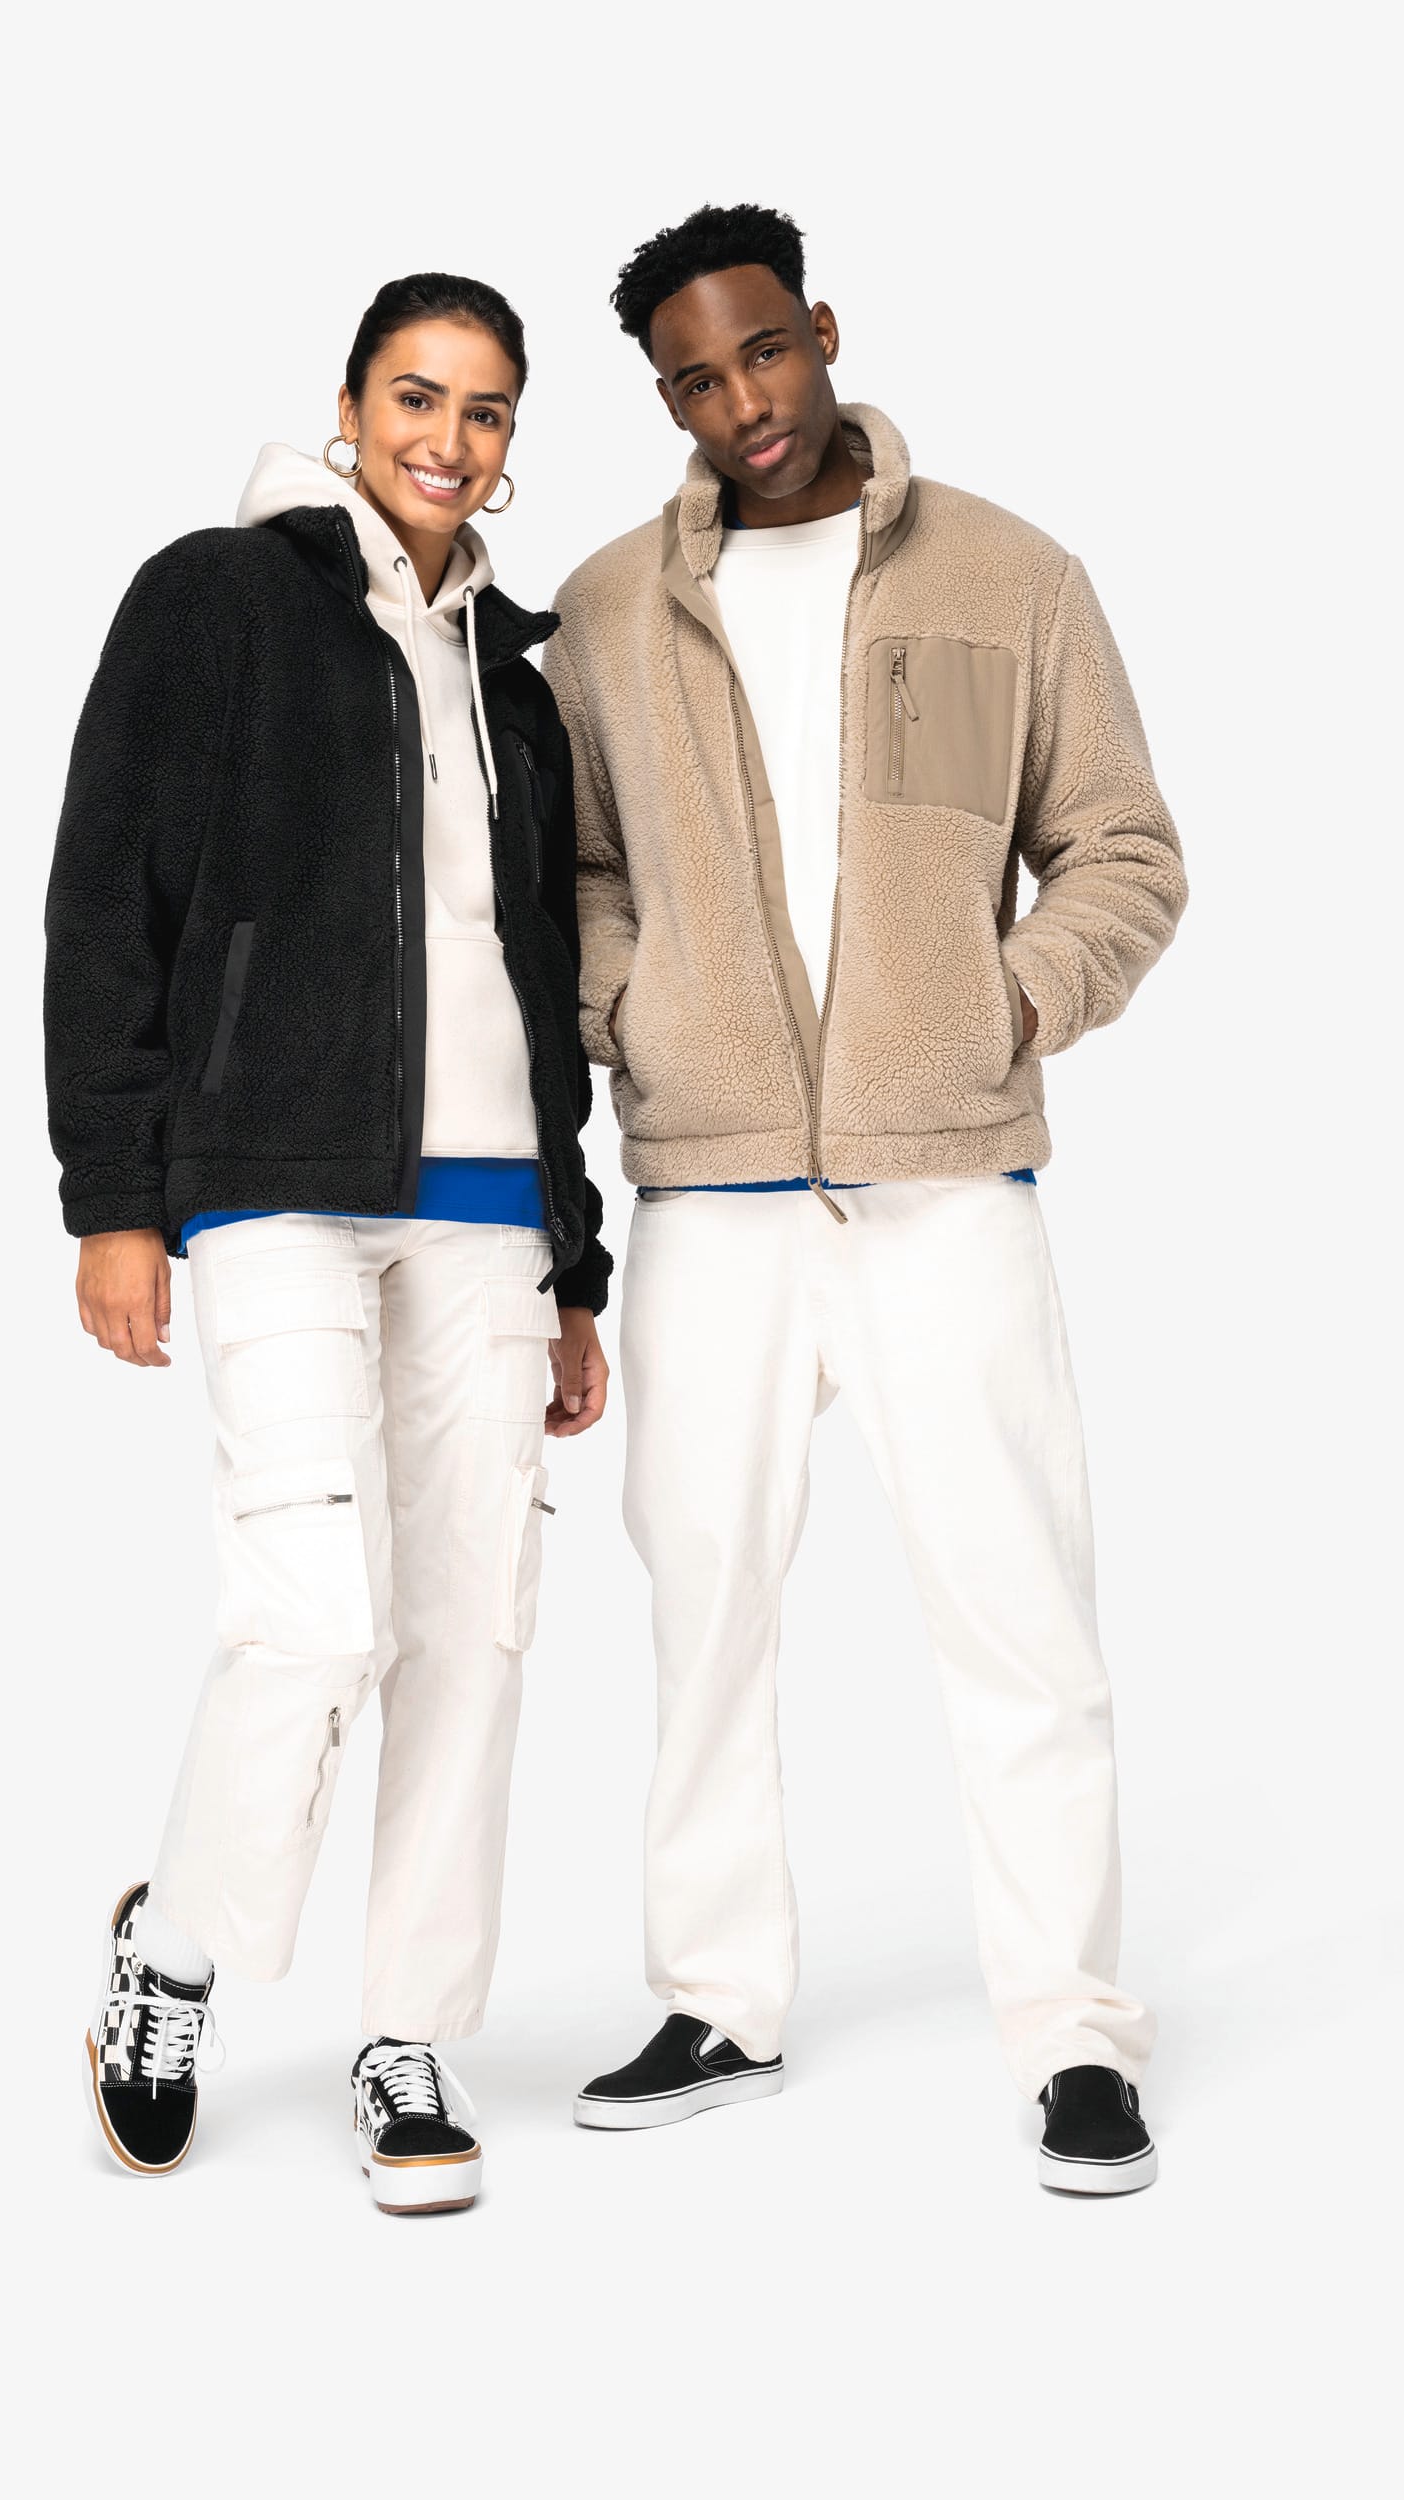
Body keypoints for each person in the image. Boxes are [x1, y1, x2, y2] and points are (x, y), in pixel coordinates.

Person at [545, 205, 1184, 2194]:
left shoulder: (1007, 575)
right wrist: (628, 1011)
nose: (739, 401)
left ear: (819, 327)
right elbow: (576, 872)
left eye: (760, 352)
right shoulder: (607, 608)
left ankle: (1071, 2032)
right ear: (664, 397)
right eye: (692, 379)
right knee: (704, 1611)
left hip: (945, 1182)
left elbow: (1119, 849)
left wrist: (1008, 1000)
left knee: (1018, 1611)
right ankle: (716, 1999)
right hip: (711, 1191)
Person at [45, 272, 611, 2213]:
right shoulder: (216, 596)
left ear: (510, 439)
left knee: (474, 1629)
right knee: (315, 1619)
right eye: (415, 396)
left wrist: (574, 1260)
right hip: (274, 1177)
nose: (448, 438)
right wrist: (115, 1198)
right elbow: (105, 899)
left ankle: (407, 2031)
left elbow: (542, 968)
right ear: (351, 405)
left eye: (484, 408)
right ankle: (174, 1951)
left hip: (488, 1206)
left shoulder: (512, 673)